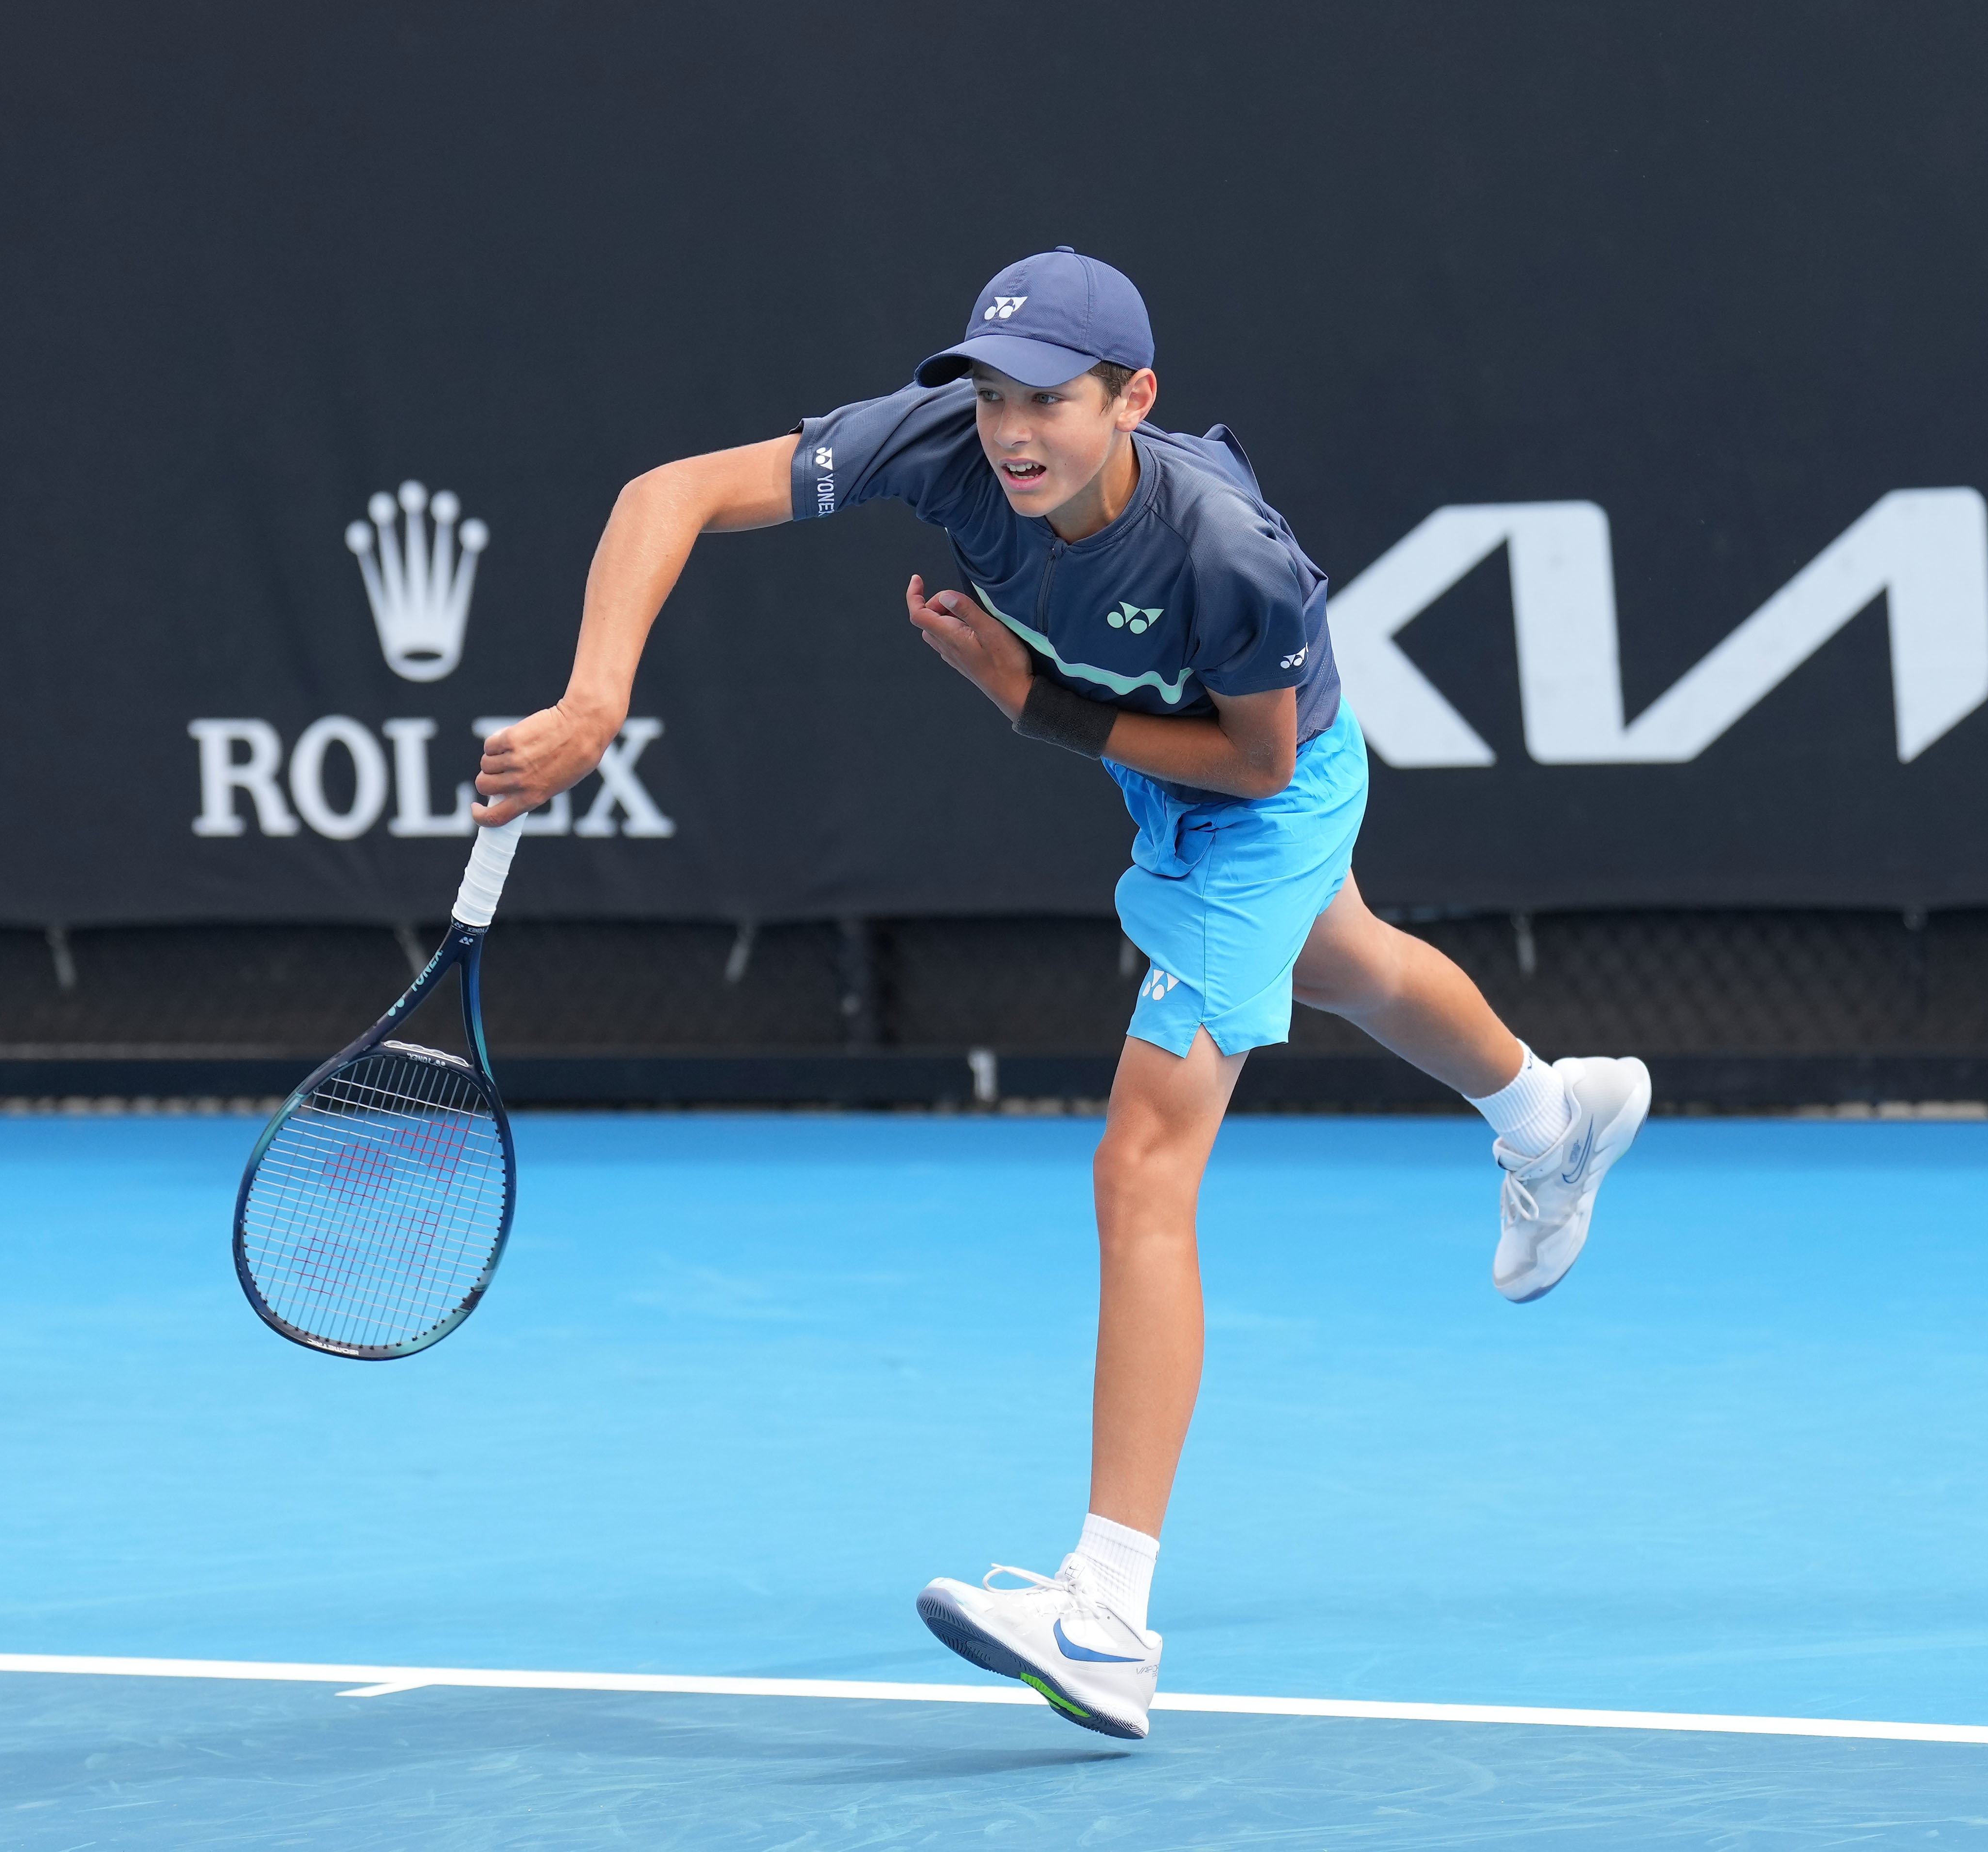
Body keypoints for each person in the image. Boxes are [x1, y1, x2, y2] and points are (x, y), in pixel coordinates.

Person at [473, 249, 1651, 1740]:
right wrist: (595, 699)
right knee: (1345, 961)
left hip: (1254, 794)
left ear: (1131, 399)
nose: (1011, 432)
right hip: (1165, 776)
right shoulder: (941, 444)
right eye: (992, 397)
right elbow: (671, 494)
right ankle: (1553, 1119)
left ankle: (1105, 1614)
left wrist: (1031, 705)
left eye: (1049, 401)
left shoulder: (1226, 550)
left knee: (1139, 1166)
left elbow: (1257, 766)